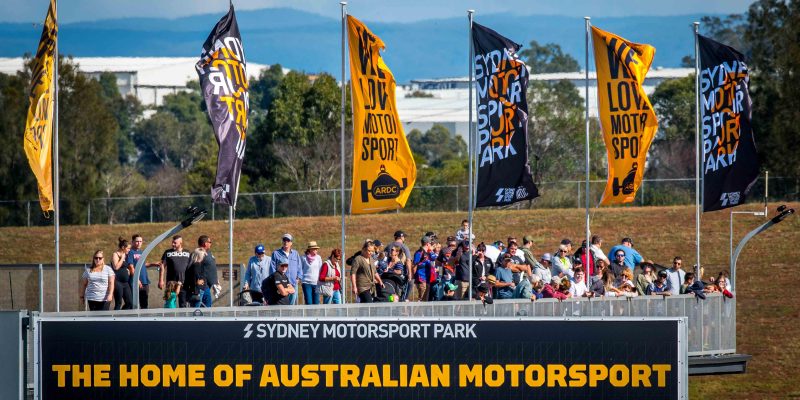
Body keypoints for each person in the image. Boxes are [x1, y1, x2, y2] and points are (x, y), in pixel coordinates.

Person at [125, 234, 159, 309]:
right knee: (134, 304)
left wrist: (153, 264)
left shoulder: (141, 252)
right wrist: (137, 280)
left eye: (140, 241)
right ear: (132, 242)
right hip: (136, 282)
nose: (139, 243)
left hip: (144, 281)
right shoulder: (130, 252)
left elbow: (142, 264)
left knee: (144, 303)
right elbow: (131, 267)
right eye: (137, 241)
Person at [269, 233, 303, 305]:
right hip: (281, 285)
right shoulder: (276, 253)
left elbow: (299, 267)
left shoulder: (295, 253)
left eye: (288, 240)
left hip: (293, 284)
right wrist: (276, 282)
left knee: (291, 305)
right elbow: (272, 269)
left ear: (291, 243)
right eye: (284, 240)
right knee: (282, 305)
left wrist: (298, 278)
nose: (286, 242)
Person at [158, 235, 191, 308]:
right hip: (171, 283)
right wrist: (161, 280)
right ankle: (170, 315)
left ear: (180, 242)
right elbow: (162, 266)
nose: (173, 244)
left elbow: (191, 268)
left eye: (175, 243)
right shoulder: (167, 252)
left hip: (183, 283)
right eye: (172, 242)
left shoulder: (187, 253)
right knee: (170, 303)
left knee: (183, 305)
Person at [110, 237, 132, 310]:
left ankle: (122, 314)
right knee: (118, 302)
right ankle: (116, 316)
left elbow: (124, 266)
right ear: (123, 247)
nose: (129, 250)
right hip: (117, 282)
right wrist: (122, 258)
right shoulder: (115, 254)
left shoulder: (125, 255)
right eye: (128, 248)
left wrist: (127, 270)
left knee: (129, 302)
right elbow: (116, 267)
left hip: (125, 283)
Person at [413, 236, 437, 301]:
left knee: (425, 298)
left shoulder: (428, 252)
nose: (431, 245)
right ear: (427, 244)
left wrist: (431, 251)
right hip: (421, 278)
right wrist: (413, 277)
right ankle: (417, 307)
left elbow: (434, 258)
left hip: (427, 278)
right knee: (421, 297)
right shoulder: (419, 252)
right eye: (430, 243)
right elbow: (414, 265)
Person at [196, 235, 217, 307]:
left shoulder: (208, 253)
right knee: (200, 305)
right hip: (201, 286)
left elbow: (211, 267)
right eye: (210, 242)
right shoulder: (198, 253)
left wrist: (215, 281)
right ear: (205, 243)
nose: (211, 243)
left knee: (207, 305)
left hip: (207, 285)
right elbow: (195, 268)